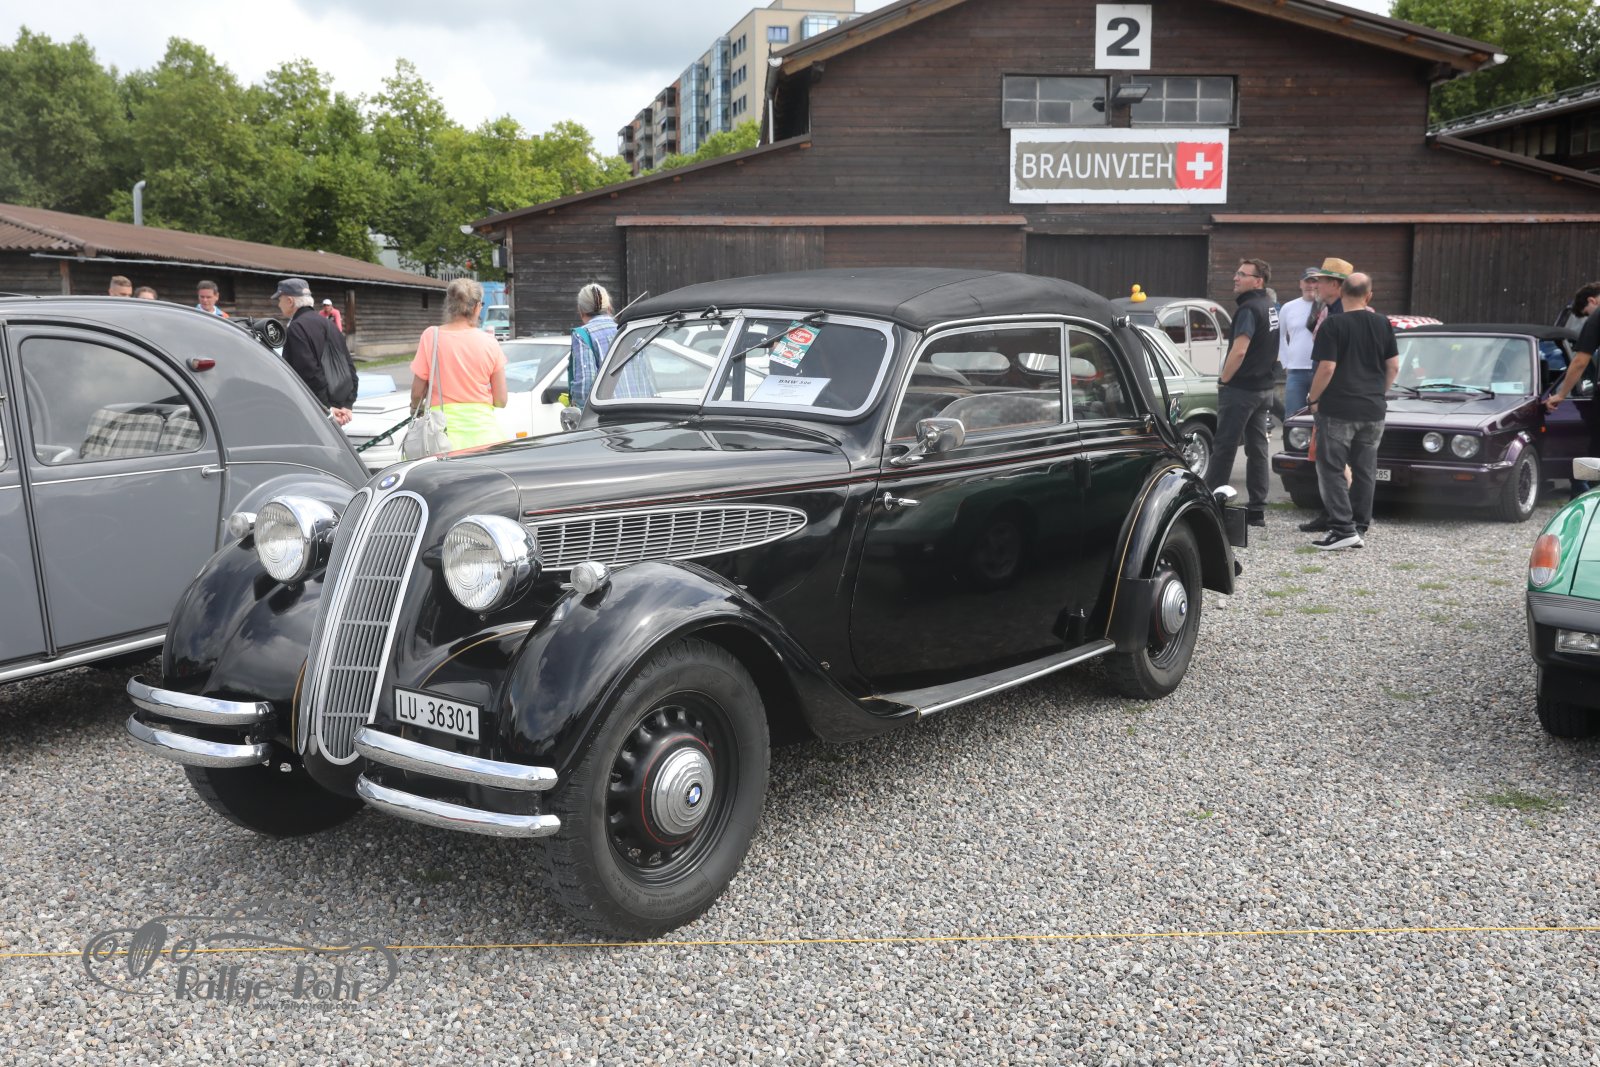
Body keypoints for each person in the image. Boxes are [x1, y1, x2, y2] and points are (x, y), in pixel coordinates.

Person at [1305, 273, 1398, 551]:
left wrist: (1313, 397)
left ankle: (1342, 528)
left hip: (1339, 408)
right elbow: (1393, 366)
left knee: (1332, 468)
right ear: (1369, 296)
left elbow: (1327, 367)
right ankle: (1359, 524)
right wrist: (1378, 392)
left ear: (1342, 292)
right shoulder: (1382, 323)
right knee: (1365, 468)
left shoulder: (1333, 324)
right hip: (1373, 409)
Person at [1205, 258, 1279, 527]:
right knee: (1258, 449)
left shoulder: (1248, 309)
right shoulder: (1270, 306)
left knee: (1224, 447)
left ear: (1257, 281)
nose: (1235, 278)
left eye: (1242, 274)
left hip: (1242, 389)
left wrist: (1224, 380)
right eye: (1236, 273)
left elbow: (1239, 350)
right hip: (1263, 389)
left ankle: (1210, 506)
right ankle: (1257, 509)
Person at [409, 278, 508, 448]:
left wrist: (415, 408)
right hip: (486, 438)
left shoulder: (431, 336)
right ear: (477, 307)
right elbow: (501, 400)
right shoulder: (490, 342)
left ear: (449, 304)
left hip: (442, 438)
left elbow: (417, 393)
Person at [1298, 256, 1355, 534]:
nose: (1316, 285)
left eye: (1320, 280)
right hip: (1330, 392)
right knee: (1327, 458)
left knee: (1334, 460)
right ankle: (1332, 512)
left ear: (1335, 284)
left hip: (1333, 395)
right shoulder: (1329, 309)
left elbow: (1331, 363)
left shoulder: (1341, 314)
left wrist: (1315, 397)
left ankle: (1338, 516)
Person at [274, 277, 357, 426]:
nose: (278, 304)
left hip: (315, 411)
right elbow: (349, 365)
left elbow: (308, 372)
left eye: (280, 300)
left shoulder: (297, 327)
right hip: (338, 406)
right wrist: (347, 405)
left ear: (290, 301)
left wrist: (326, 408)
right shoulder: (328, 324)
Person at [1278, 267, 1320, 441]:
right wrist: (1286, 363)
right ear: (1300, 284)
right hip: (1296, 371)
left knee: (1322, 418)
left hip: (1322, 370)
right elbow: (1279, 337)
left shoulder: (1327, 306)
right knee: (1293, 417)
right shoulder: (1288, 307)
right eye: (1307, 281)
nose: (1311, 285)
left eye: (1315, 281)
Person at [568, 283, 620, 410]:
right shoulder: (627, 331)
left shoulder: (583, 335)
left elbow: (584, 389)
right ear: (609, 308)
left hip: (608, 415)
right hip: (640, 413)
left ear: (580, 311)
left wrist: (575, 404)